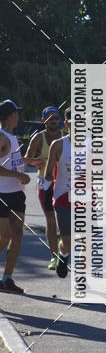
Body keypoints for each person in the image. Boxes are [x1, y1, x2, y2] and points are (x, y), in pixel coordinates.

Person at [24, 106, 63, 269]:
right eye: (50, 118)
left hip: (63, 183)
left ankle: (64, 252)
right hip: (45, 183)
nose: (53, 121)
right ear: (43, 121)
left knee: (66, 220)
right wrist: (36, 162)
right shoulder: (38, 138)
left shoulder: (65, 137)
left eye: (56, 118)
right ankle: (54, 257)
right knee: (51, 220)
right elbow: (26, 159)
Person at [0, 99, 30, 294]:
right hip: (2, 194)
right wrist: (19, 175)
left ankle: (7, 279)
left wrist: (30, 161)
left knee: (17, 235)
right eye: (17, 113)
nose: (19, 116)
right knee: (4, 236)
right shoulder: (1, 136)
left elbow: (10, 160)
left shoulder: (11, 136)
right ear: (11, 116)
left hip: (17, 194)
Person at [43, 108, 72, 279]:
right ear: (67, 124)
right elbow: (47, 174)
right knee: (67, 241)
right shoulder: (58, 145)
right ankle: (63, 255)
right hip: (63, 197)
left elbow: (103, 174)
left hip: (85, 198)